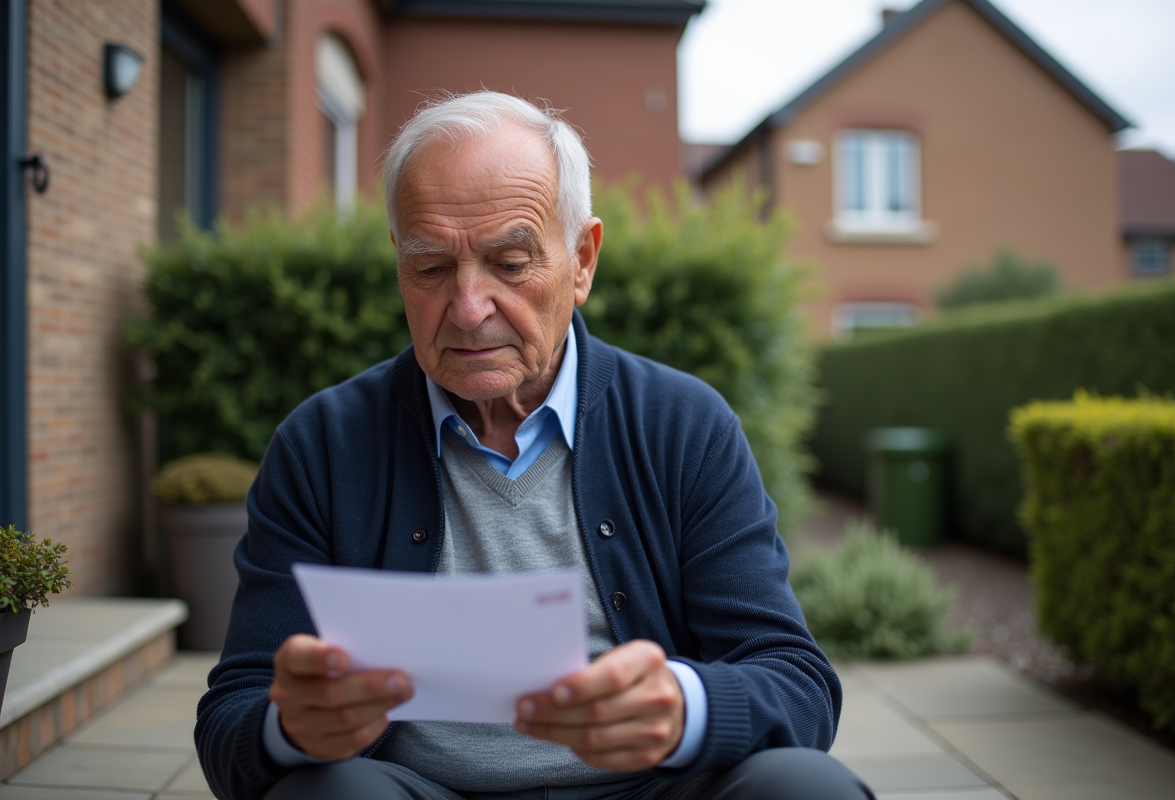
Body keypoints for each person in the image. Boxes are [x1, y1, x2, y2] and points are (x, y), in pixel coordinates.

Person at [195, 91, 874, 800]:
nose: (468, 309)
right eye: (432, 268)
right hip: (415, 791)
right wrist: (291, 727)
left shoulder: (683, 424)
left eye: (511, 263)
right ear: (399, 264)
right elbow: (231, 718)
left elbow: (796, 682)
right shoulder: (324, 444)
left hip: (651, 791)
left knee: (806, 787)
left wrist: (683, 707)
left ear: (582, 260)